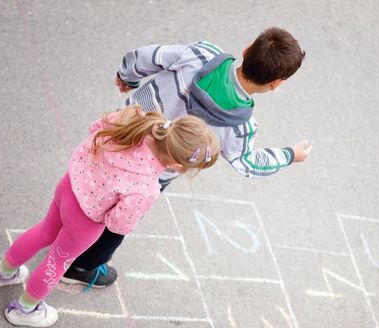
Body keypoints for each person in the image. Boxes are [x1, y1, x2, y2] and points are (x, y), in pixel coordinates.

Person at [62, 27, 312, 288]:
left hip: (119, 133)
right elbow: (248, 163)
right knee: (119, 216)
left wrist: (128, 77)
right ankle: (81, 266)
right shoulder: (240, 126)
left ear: (247, 50)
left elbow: (145, 57)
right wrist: (288, 155)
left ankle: (61, 224)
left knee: (87, 176)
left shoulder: (200, 54)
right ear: (277, 83)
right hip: (150, 173)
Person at [0, 106, 219, 327]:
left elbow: (95, 127)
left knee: (44, 230)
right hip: (86, 219)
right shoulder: (146, 187)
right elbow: (118, 224)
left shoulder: (132, 120)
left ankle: (1, 273)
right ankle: (25, 309)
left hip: (69, 186)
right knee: (57, 260)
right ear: (176, 165)